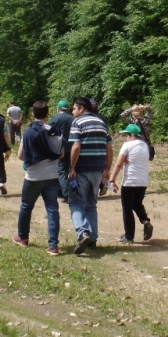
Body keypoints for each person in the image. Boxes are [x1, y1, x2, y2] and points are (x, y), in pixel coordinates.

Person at [12, 101, 65, 255]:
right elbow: (61, 154)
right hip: (52, 177)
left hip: (33, 177)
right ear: (48, 114)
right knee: (52, 209)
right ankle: (53, 246)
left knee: (26, 206)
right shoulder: (55, 131)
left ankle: (23, 237)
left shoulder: (28, 132)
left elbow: (21, 156)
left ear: (33, 114)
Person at [68, 96, 113, 255]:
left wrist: (72, 168)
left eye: (74, 109)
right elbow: (109, 148)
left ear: (81, 109)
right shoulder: (102, 123)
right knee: (91, 205)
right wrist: (107, 169)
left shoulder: (78, 122)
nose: (73, 112)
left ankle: (82, 232)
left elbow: (76, 147)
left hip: (81, 170)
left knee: (76, 203)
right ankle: (92, 238)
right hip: (98, 171)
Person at [109, 123, 153, 244]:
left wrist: (112, 179)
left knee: (127, 209)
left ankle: (129, 236)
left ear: (132, 135)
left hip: (129, 182)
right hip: (142, 182)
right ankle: (145, 221)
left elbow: (119, 164)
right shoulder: (144, 146)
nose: (125, 138)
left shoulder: (127, 145)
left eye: (126, 135)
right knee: (137, 204)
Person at [49, 100, 74, 202]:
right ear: (67, 109)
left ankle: (66, 194)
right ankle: (66, 191)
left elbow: (50, 132)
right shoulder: (73, 119)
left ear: (58, 108)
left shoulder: (55, 118)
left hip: (60, 148)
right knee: (70, 170)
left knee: (61, 170)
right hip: (72, 147)